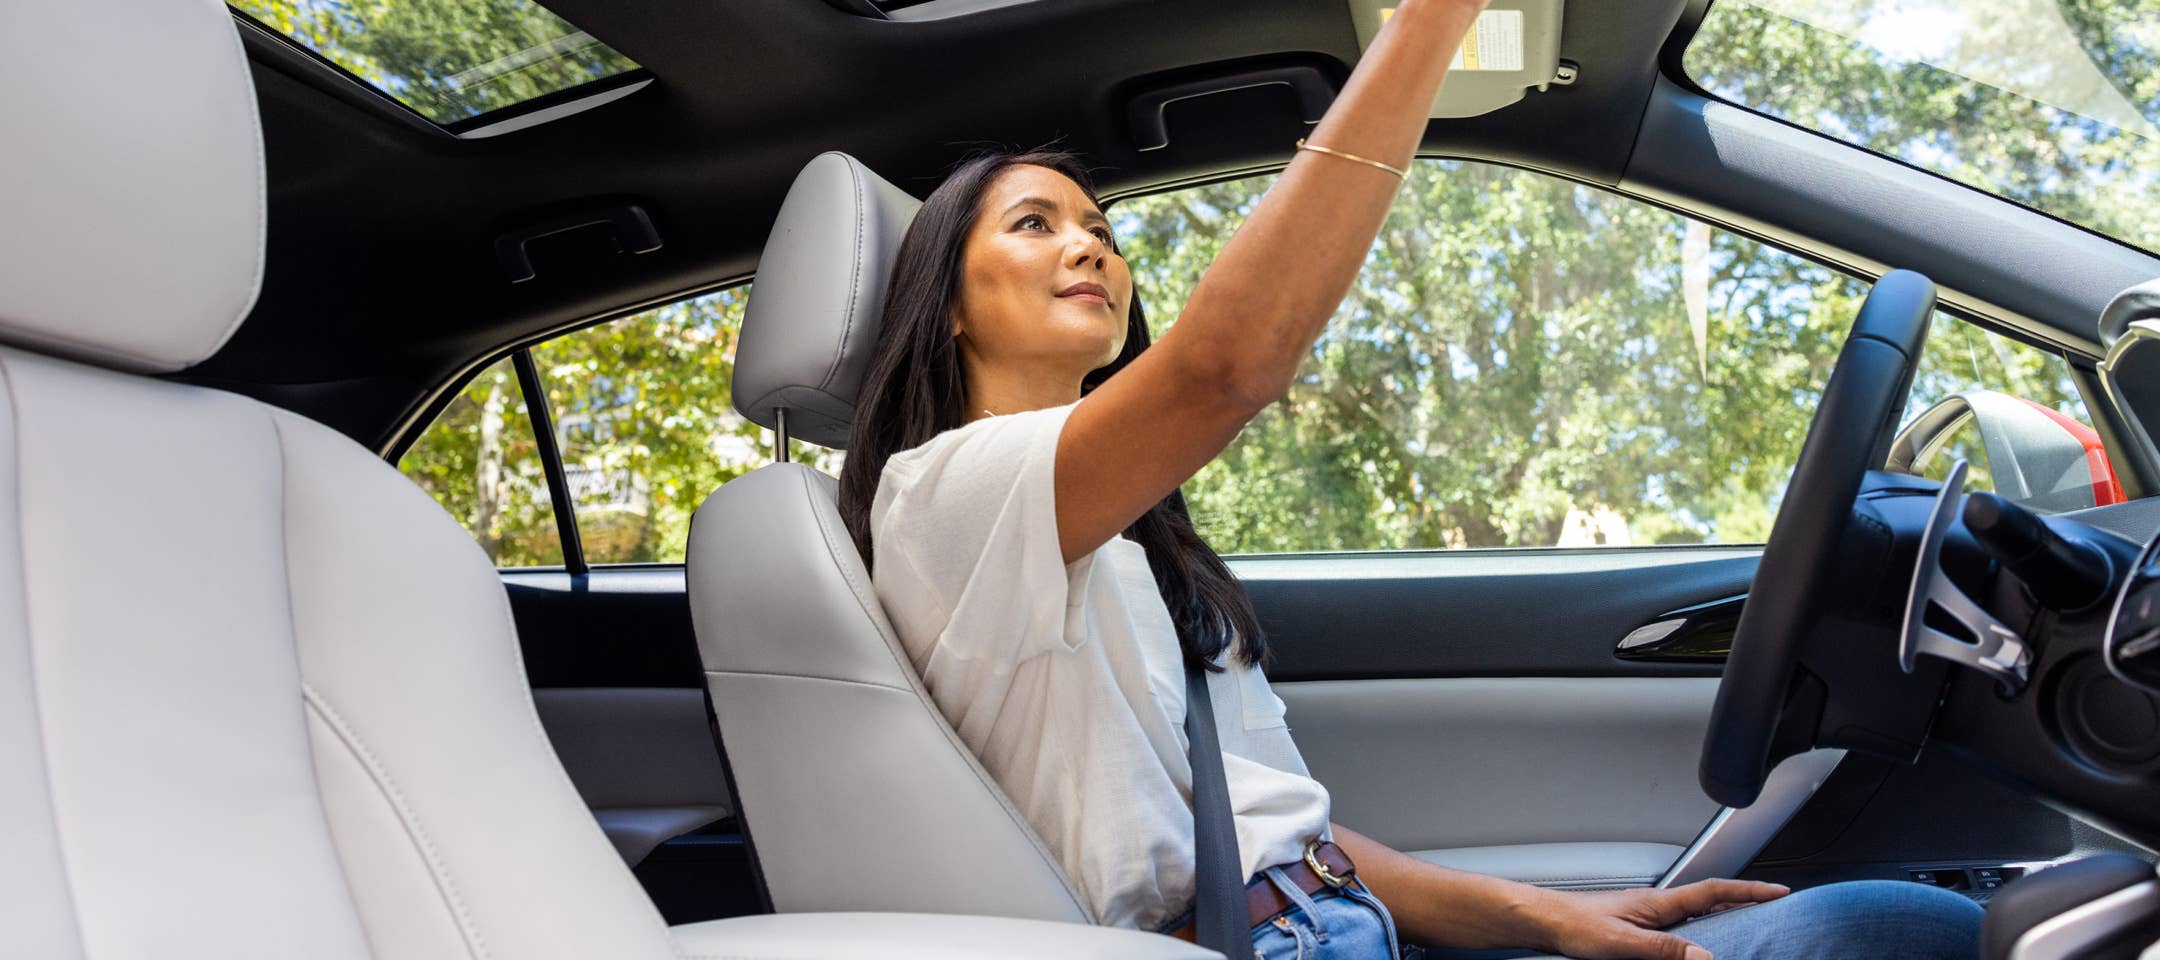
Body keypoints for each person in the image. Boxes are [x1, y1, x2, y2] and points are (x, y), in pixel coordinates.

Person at [834, 0, 1986, 956]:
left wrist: (1551, 917)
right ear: (942, 303)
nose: (1093, 246)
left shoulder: (1121, 540)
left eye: (1099, 225)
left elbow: (1281, 831)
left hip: (1334, 925)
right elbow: (1228, 366)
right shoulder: (941, 499)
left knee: (1893, 922)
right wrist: (1437, 18)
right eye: (1036, 225)